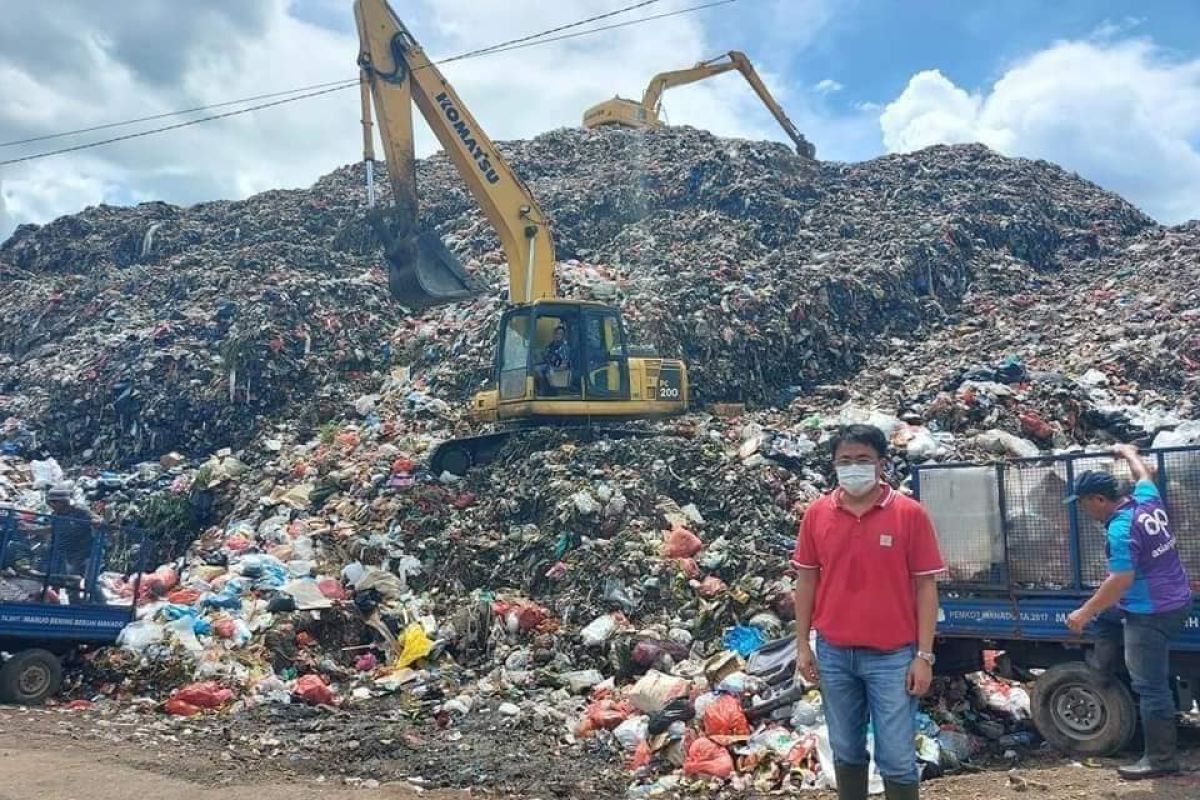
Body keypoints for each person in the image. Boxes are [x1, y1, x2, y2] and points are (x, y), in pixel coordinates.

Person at [793, 425, 945, 800]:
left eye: (863, 460)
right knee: (846, 749)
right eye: (845, 461)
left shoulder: (909, 514)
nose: (854, 467)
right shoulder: (817, 514)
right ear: (833, 466)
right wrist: (802, 645)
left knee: (896, 756)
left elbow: (927, 588)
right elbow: (806, 581)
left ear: (882, 464)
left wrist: (924, 656)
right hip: (834, 653)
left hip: (893, 656)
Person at [1065, 444, 1192, 780]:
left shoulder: (1120, 529)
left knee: (1150, 687)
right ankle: (1102, 672)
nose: (1082, 509)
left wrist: (1084, 611)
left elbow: (1121, 579)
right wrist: (1129, 452)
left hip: (1151, 612)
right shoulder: (1146, 501)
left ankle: (1160, 760)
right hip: (1178, 598)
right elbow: (1144, 474)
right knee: (1108, 619)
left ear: (1099, 500)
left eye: (1082, 503)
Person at [45, 483, 99, 601]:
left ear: (63, 502)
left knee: (81, 581)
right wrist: (30, 530)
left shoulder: (80, 511)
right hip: (62, 553)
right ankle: (57, 606)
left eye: (54, 502)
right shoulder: (56, 515)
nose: (51, 505)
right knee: (56, 579)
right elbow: (51, 528)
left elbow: (97, 520)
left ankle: (93, 605)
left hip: (82, 552)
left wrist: (96, 522)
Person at [533, 324, 572, 395]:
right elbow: (545, 357)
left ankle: (544, 391)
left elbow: (564, 365)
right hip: (549, 367)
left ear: (563, 336)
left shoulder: (564, 348)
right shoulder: (551, 346)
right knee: (534, 369)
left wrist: (553, 369)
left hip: (560, 372)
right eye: (556, 333)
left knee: (540, 370)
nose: (558, 336)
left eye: (560, 334)